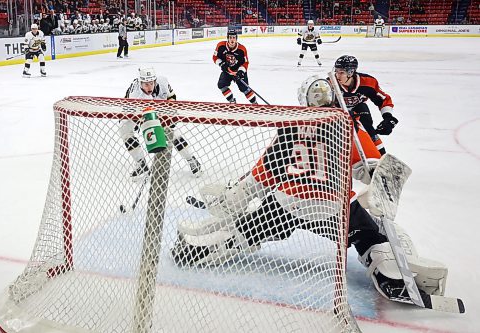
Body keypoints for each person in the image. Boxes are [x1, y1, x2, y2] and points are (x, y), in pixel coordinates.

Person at [170, 74, 447, 304]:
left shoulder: (290, 126)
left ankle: (196, 250)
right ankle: (390, 276)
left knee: (245, 230)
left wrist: (233, 199)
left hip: (286, 203)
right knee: (369, 237)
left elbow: (262, 177)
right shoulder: (346, 124)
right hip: (332, 206)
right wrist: (370, 172)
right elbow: (370, 167)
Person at [119, 66, 202, 180]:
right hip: (135, 111)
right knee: (124, 129)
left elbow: (172, 97)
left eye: (151, 83)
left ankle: (192, 160)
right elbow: (136, 115)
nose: (149, 87)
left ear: (155, 81)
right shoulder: (135, 94)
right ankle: (141, 163)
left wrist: (168, 114)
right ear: (140, 83)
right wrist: (145, 125)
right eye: (146, 84)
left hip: (161, 109)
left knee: (172, 133)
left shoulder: (163, 81)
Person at [332, 55, 398, 155]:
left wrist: (388, 117)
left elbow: (383, 100)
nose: (337, 76)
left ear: (351, 72)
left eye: (341, 72)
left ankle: (382, 157)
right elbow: (320, 105)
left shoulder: (368, 82)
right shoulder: (330, 83)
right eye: (336, 71)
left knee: (368, 128)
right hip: (337, 112)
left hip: (358, 107)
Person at [212, 29, 257, 104]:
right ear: (227, 38)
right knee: (221, 85)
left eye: (234, 38)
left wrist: (241, 72)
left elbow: (245, 63)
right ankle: (232, 101)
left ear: (236, 38)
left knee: (245, 89)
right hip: (227, 71)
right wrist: (221, 64)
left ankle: (255, 103)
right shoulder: (221, 46)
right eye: (230, 37)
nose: (232, 40)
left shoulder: (242, 49)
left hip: (238, 72)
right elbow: (215, 57)